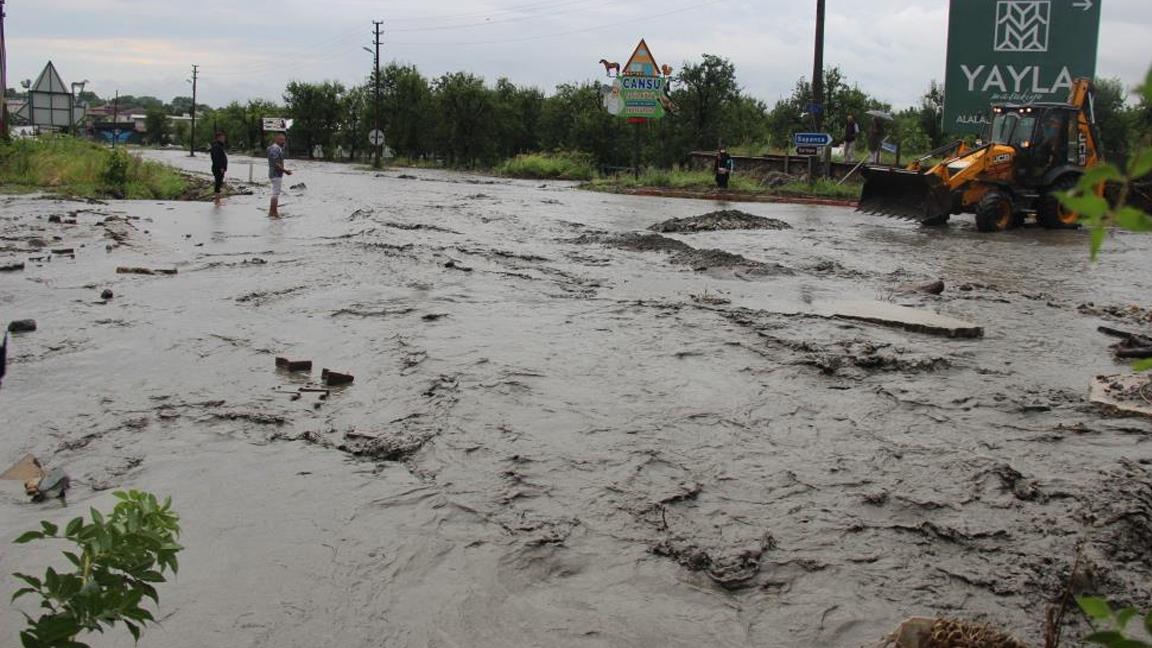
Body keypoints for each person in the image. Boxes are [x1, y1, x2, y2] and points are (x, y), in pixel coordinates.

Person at [267, 133, 292, 218]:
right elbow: (276, 163)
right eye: (281, 140)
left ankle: (272, 212)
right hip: (276, 174)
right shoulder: (275, 149)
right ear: (276, 139)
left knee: (275, 192)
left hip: (275, 173)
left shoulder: (276, 148)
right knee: (275, 193)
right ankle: (273, 212)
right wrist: (285, 171)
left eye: (284, 140)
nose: (283, 142)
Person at [210, 131, 228, 205]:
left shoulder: (218, 146)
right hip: (218, 168)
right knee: (218, 183)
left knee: (219, 183)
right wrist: (221, 167)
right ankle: (217, 201)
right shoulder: (216, 146)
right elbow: (217, 158)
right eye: (223, 137)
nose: (224, 139)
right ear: (219, 138)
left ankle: (217, 200)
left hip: (219, 168)